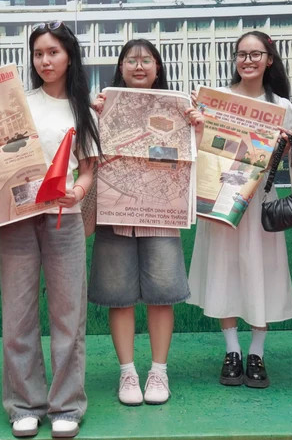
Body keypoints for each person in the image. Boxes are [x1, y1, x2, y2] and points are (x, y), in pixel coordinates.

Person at [0, 21, 99, 439]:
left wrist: (77, 190)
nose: (45, 61)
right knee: (17, 315)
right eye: (38, 53)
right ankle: (24, 404)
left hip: (64, 220)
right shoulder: (19, 103)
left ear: (69, 56)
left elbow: (88, 169)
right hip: (16, 218)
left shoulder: (83, 109)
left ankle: (66, 406)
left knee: (68, 316)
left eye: (53, 52)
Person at [88, 39, 202, 406]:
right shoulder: (102, 107)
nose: (139, 66)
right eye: (131, 60)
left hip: (161, 218)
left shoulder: (178, 108)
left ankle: (158, 371)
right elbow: (85, 149)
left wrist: (196, 128)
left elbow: (193, 158)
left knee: (161, 295)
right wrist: (92, 115)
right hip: (113, 215)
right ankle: (127, 373)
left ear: (157, 68)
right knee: (118, 298)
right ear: (120, 68)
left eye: (147, 60)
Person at [187, 30, 292, 389]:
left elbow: (287, 162)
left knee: (260, 272)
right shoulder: (215, 101)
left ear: (269, 59)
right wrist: (200, 126)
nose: (248, 60)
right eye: (241, 54)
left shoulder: (283, 107)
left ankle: (257, 353)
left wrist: (281, 143)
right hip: (222, 197)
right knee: (225, 270)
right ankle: (232, 351)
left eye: (255, 54)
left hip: (260, 203)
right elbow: (202, 149)